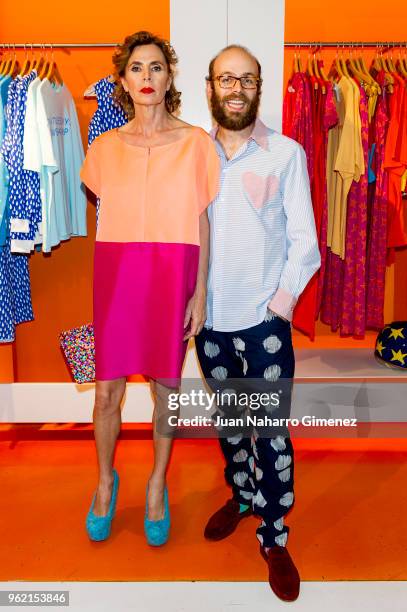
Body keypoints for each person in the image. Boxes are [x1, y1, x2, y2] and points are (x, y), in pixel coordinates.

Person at [79, 31, 220, 547]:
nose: (146, 77)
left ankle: (158, 482)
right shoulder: (103, 148)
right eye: (136, 68)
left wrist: (199, 292)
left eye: (156, 67)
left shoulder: (196, 144)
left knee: (168, 391)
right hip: (117, 277)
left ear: (169, 78)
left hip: (171, 276)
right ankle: (104, 481)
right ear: (122, 80)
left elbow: (204, 224)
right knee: (106, 392)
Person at [195, 44, 320, 601]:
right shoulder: (193, 156)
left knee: (270, 432)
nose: (236, 89)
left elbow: (306, 243)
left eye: (246, 79)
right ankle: (242, 495)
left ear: (259, 86)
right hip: (209, 321)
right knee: (230, 424)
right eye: (226, 80)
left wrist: (280, 305)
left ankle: (274, 533)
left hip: (264, 323)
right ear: (211, 88)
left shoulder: (285, 154)